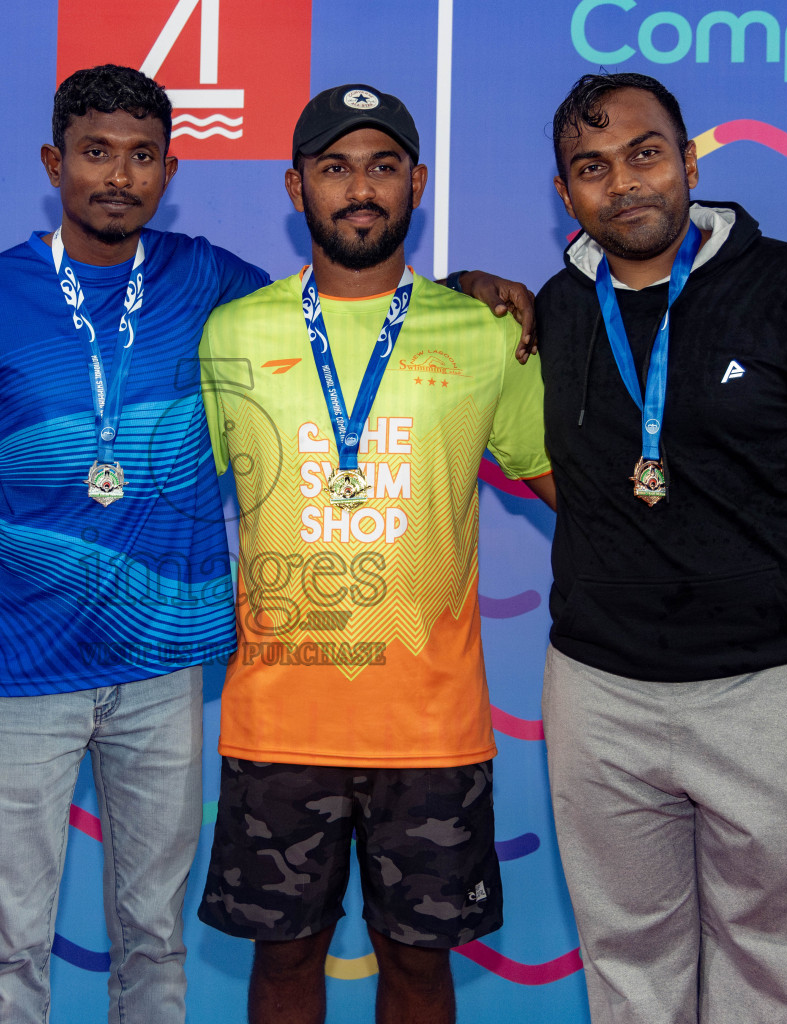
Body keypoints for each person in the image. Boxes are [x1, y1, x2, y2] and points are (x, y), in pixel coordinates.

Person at [0, 66, 538, 1024]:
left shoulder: (227, 287)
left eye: (141, 156)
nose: (118, 176)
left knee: (186, 947)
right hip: (110, 683)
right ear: (54, 165)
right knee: (29, 950)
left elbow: (366, 304)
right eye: (94, 154)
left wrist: (467, 289)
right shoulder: (53, 300)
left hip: (269, 691)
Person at [534, 73, 787, 1024]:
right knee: (629, 966)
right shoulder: (549, 315)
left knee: (769, 972)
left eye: (644, 153)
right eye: (591, 168)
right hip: (602, 697)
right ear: (566, 194)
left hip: (778, 690)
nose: (623, 184)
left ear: (689, 159)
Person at [194, 84, 556, 1024]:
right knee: (281, 966)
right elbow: (165, 487)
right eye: (336, 167)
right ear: (295, 185)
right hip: (279, 722)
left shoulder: (483, 334)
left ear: (418, 183)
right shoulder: (233, 333)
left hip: (430, 729)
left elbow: (579, 491)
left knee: (419, 972)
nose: (360, 188)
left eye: (383, 166)